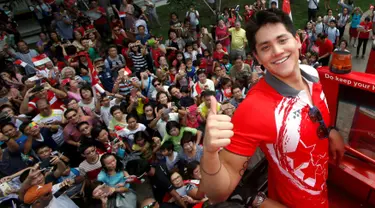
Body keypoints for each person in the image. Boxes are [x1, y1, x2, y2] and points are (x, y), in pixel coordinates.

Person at [200, 9, 345, 207]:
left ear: (297, 40)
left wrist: (330, 131)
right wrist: (209, 153)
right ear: (257, 57)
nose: (277, 51)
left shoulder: (311, 74)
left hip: (321, 191)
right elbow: (218, 193)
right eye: (266, 47)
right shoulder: (253, 108)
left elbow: (314, 113)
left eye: (282, 40)